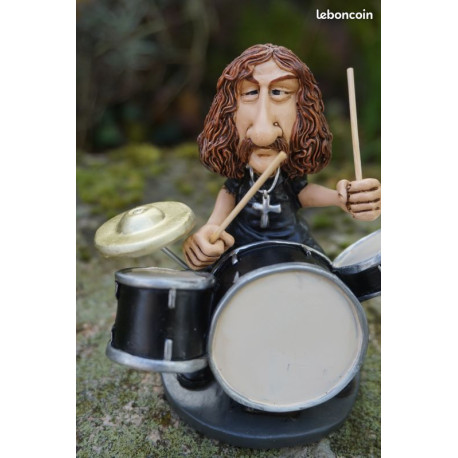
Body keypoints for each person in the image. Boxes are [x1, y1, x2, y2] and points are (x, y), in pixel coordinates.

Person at [183, 44, 381, 270]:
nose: (263, 134)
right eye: (250, 93)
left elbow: (303, 193)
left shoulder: (287, 180)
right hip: (241, 250)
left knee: (325, 278)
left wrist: (342, 198)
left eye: (278, 92)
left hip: (294, 247)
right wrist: (208, 234)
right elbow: (218, 216)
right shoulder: (237, 185)